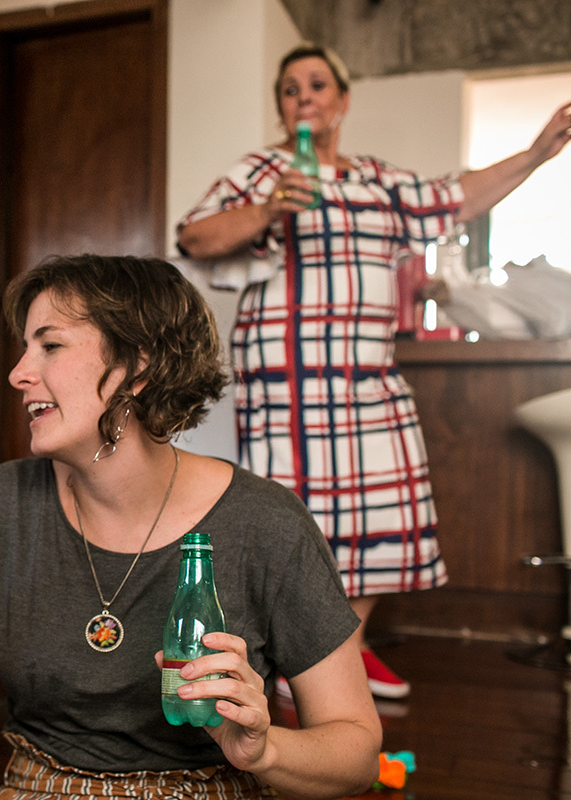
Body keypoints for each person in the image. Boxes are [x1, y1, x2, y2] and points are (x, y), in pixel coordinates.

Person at [0, 255, 381, 799]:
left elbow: (356, 752)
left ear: (139, 366)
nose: (18, 373)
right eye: (26, 348)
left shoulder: (266, 524)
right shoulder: (1, 504)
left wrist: (265, 750)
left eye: (50, 345)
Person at [176, 43, 571, 700]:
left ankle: (338, 656)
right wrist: (271, 210)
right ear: (283, 108)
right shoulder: (266, 169)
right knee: (297, 525)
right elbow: (197, 237)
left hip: (366, 378)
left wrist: (534, 154)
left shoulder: (383, 183)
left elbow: (459, 196)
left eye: (317, 85)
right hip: (289, 383)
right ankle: (319, 669)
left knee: (388, 518)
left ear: (342, 100)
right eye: (291, 89)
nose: (305, 97)